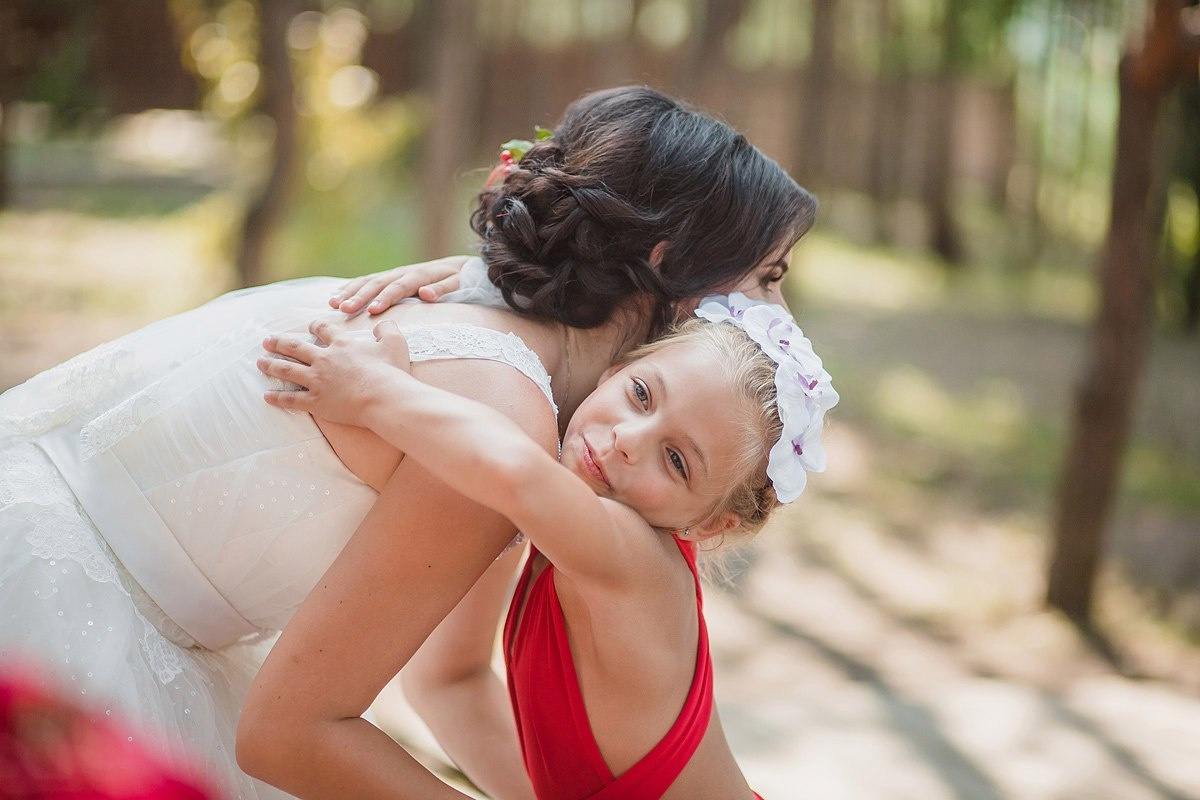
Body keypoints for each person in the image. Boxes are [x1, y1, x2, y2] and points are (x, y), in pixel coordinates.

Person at [0, 85, 814, 799]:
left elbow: (450, 681)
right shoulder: (499, 410)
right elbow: (293, 736)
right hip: (61, 625)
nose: (775, 320)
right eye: (768, 278)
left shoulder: (489, 323)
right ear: (669, 264)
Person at [254, 294, 837, 799]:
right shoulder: (561, 530)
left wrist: (376, 392)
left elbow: (516, 472)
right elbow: (447, 682)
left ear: (709, 526)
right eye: (640, 394)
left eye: (677, 460)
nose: (630, 441)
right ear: (614, 369)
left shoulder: (637, 563)